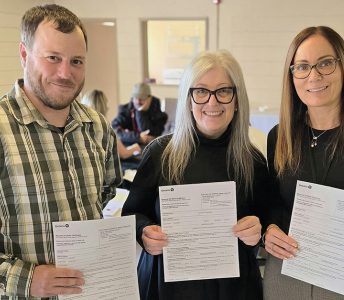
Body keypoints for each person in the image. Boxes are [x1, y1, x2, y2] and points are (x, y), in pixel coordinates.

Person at [0, 4, 122, 299]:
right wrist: (25, 278)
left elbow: (105, 193)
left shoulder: (97, 127)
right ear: (23, 54)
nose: (65, 73)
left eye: (77, 61)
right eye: (53, 58)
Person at [122, 49, 269, 300]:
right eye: (200, 91)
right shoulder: (160, 153)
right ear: (188, 99)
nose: (212, 102)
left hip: (232, 289)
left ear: (236, 99)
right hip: (166, 286)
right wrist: (144, 232)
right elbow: (132, 213)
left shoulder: (252, 160)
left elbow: (269, 216)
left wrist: (260, 229)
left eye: (223, 91)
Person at [263, 26, 344, 300]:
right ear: (292, 75)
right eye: (302, 67)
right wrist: (271, 228)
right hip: (288, 270)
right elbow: (273, 200)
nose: (314, 76)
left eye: (325, 63)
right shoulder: (280, 136)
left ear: (343, 66)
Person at [82, 89, 141, 159]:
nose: (108, 108)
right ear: (103, 108)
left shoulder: (80, 128)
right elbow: (124, 153)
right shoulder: (106, 130)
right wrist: (136, 147)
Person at [112, 82, 168, 147]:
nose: (138, 101)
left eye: (142, 98)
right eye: (135, 98)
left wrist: (140, 112)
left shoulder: (159, 116)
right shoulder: (125, 111)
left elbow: (148, 131)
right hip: (128, 150)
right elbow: (114, 130)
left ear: (149, 98)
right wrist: (138, 137)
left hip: (150, 150)